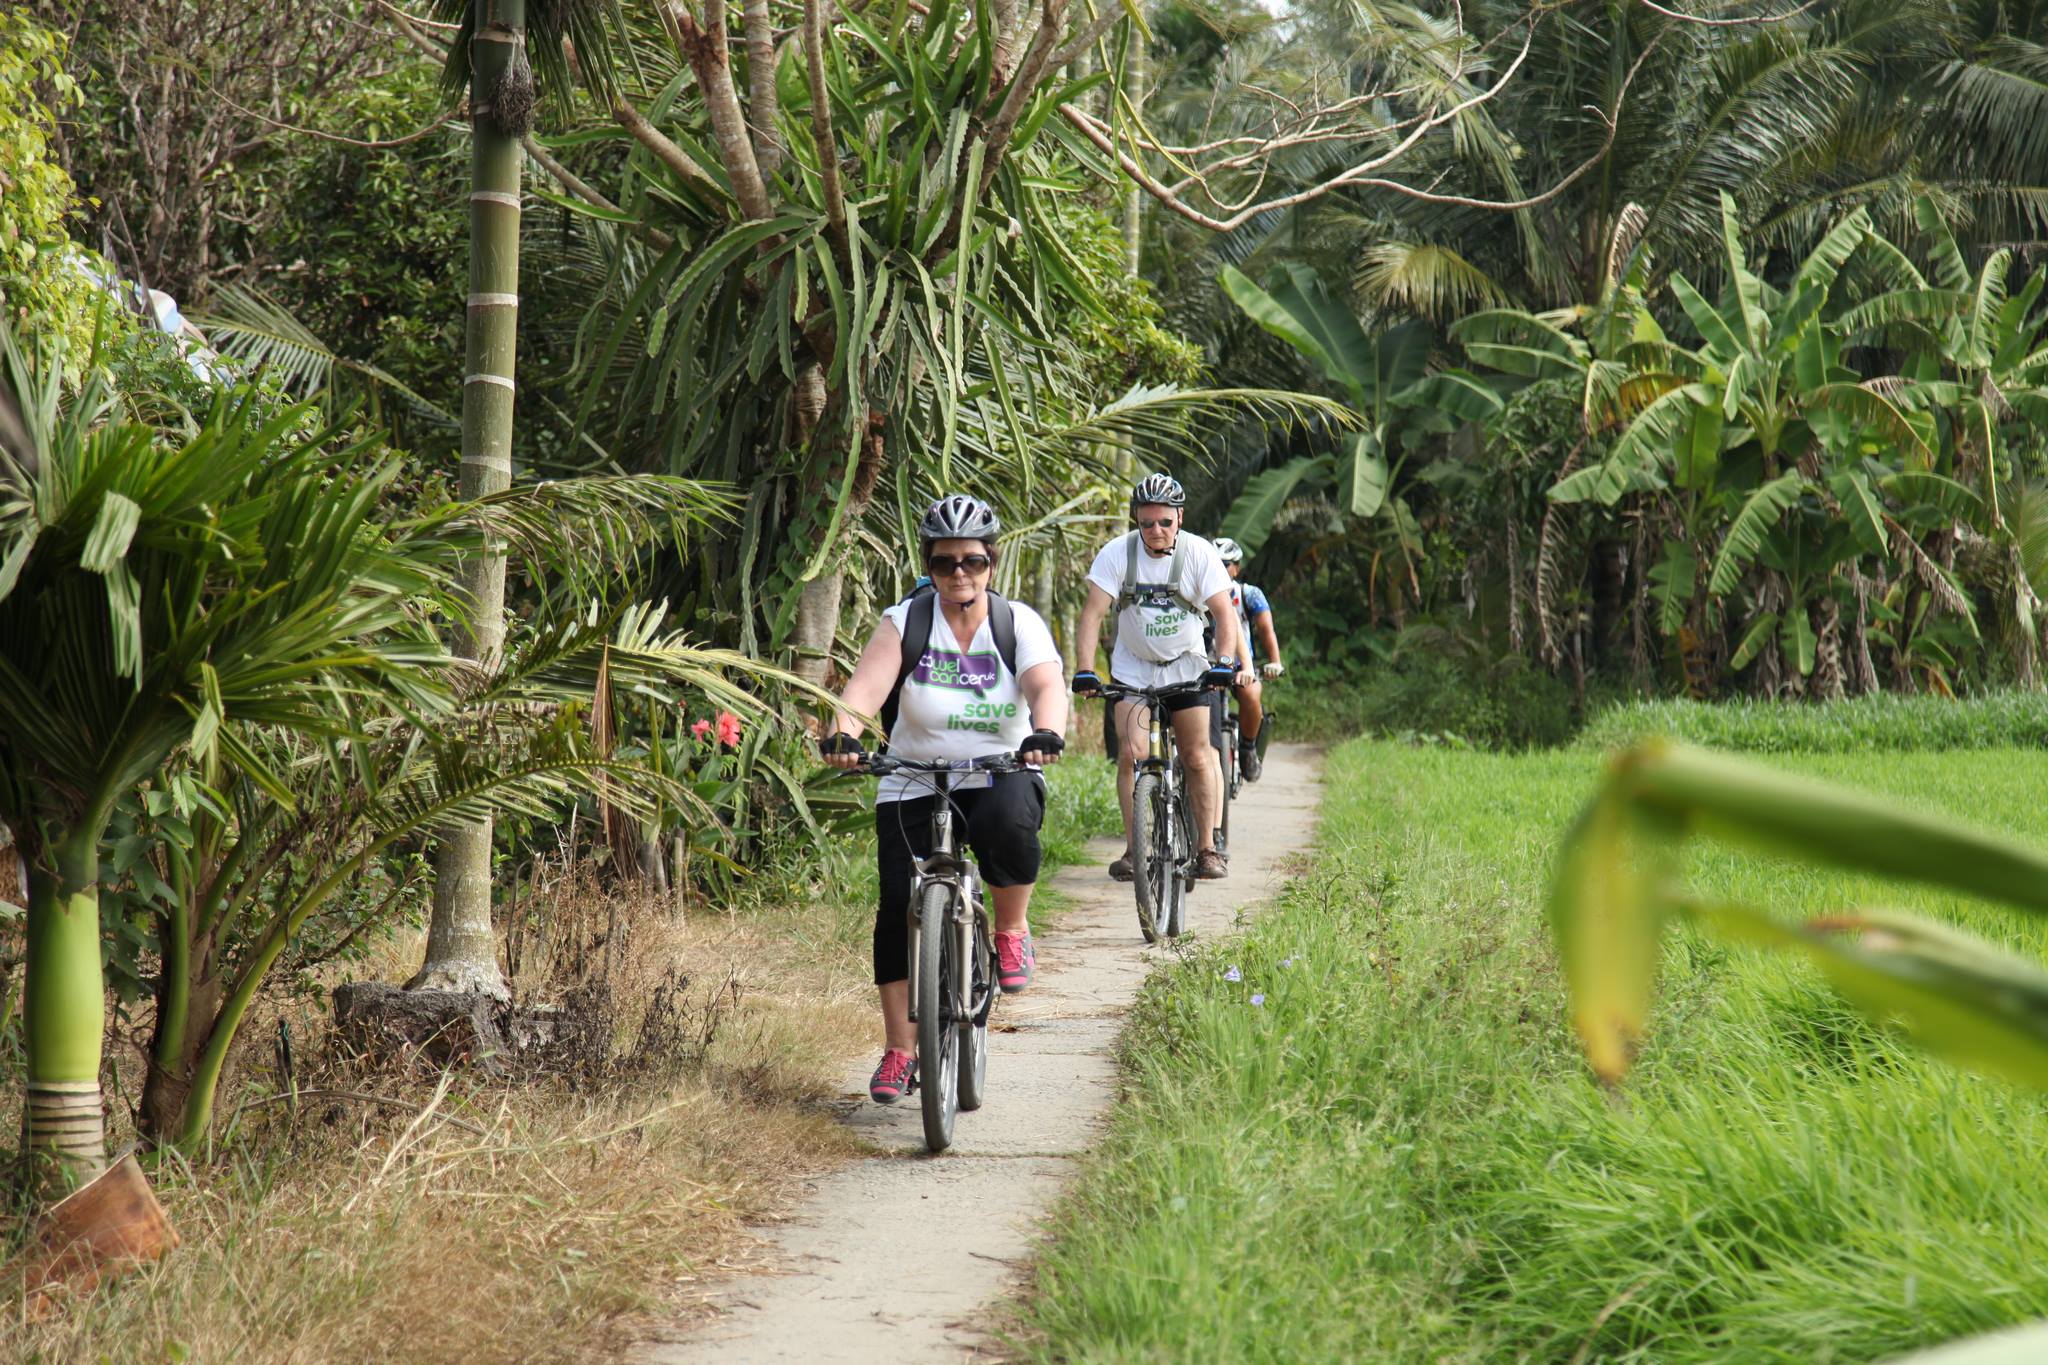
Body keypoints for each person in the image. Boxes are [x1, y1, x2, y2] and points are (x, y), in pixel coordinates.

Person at [820, 495, 1069, 1105]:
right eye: (945, 562)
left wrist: (1044, 731)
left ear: (991, 563)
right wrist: (845, 733)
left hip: (997, 768)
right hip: (913, 774)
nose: (960, 573)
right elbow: (864, 689)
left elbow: (1045, 685)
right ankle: (900, 1050)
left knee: (1009, 822)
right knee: (894, 907)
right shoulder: (905, 621)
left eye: (973, 561)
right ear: (928, 566)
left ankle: (1011, 928)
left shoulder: (1016, 622)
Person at [1072, 473, 1252, 883]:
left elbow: (1224, 615)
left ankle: (1206, 848)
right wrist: (1085, 670)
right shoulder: (1117, 554)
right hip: (1132, 670)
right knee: (1131, 755)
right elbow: (1092, 615)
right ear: (1136, 519)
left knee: (1196, 755)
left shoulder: (1199, 553)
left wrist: (1225, 662)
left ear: (1180, 518)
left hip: (1186, 667)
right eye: (1147, 522)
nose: (1156, 530)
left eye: (1165, 522)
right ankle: (1134, 848)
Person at [1211, 537, 1285, 782]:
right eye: (1214, 564)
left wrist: (1274, 662)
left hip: (1242, 665)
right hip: (1206, 663)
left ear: (1237, 568)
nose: (1220, 570)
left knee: (1252, 695)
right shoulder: (1195, 592)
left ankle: (1248, 747)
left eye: (1225, 565)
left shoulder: (1249, 594)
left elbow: (1266, 630)